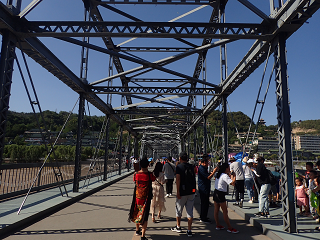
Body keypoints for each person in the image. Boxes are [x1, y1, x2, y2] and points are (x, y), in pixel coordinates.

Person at [129, 156, 156, 240]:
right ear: (148, 165)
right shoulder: (149, 174)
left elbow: (134, 181)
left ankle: (137, 230)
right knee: (144, 216)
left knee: (137, 213)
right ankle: (143, 236)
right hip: (146, 198)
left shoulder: (136, 174)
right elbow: (154, 179)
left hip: (137, 197)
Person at [171, 152, 196, 237]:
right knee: (190, 211)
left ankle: (178, 226)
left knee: (179, 209)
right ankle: (189, 230)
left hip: (182, 191)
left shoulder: (179, 167)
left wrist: (178, 192)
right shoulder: (192, 167)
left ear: (180, 158)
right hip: (191, 191)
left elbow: (178, 179)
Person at [213, 162, 238, 234]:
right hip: (221, 194)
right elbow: (232, 183)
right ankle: (230, 227)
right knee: (225, 211)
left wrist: (230, 175)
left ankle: (217, 225)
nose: (229, 169)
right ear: (226, 168)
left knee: (216, 210)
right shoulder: (224, 176)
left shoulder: (219, 174)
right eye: (228, 168)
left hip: (216, 192)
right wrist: (234, 177)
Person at [198, 154, 217, 223]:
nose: (208, 164)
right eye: (207, 163)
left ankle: (204, 216)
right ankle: (203, 218)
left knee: (205, 203)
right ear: (204, 163)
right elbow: (208, 177)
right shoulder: (201, 168)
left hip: (205, 187)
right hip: (203, 188)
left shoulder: (203, 168)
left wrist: (211, 173)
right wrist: (214, 172)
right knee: (204, 203)